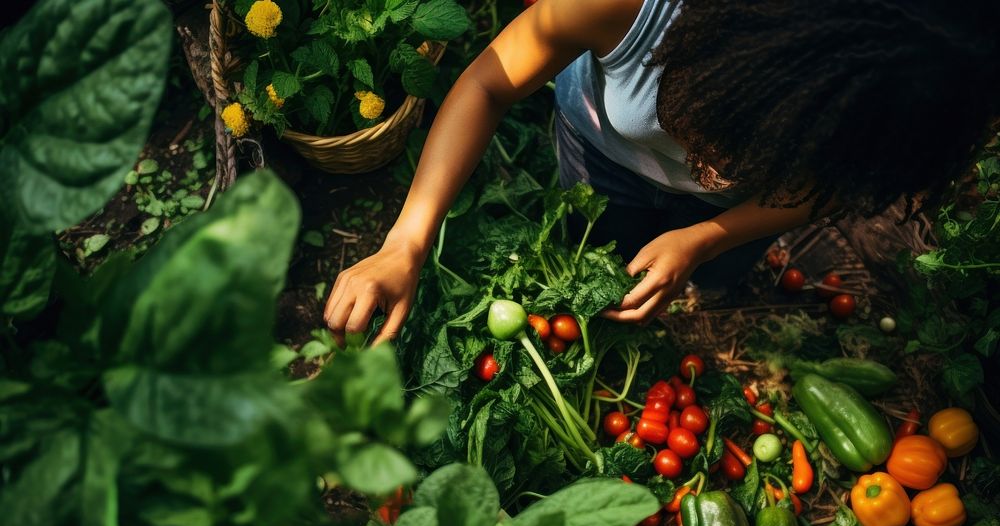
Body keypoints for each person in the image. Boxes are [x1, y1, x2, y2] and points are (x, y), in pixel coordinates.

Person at [324, 0, 1000, 345]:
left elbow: (816, 193)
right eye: (715, 136)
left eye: (760, 162)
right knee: (608, 246)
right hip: (603, 155)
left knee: (720, 272)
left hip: (737, 225)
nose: (715, 173)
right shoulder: (623, 7)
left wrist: (710, 237)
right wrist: (406, 240)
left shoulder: (874, 107)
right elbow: (488, 84)